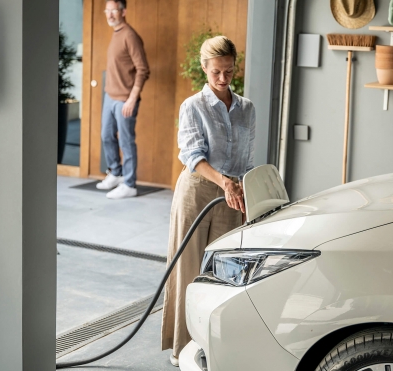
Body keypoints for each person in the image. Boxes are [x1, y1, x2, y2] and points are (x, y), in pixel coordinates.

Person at [160, 36, 255, 367]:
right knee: (188, 271)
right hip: (198, 190)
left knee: (225, 272)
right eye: (216, 72)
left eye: (229, 71)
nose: (223, 79)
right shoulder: (193, 107)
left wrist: (245, 186)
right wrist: (224, 181)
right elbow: (193, 155)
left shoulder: (247, 109)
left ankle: (216, 346)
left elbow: (247, 158)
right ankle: (181, 349)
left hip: (233, 194)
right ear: (204, 68)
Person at [95, 0, 150, 199]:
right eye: (107, 11)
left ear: (123, 11)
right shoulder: (116, 33)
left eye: (114, 11)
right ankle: (116, 173)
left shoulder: (130, 36)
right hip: (110, 96)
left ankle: (129, 184)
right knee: (106, 136)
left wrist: (131, 99)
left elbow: (143, 70)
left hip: (125, 100)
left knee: (126, 142)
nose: (109, 15)